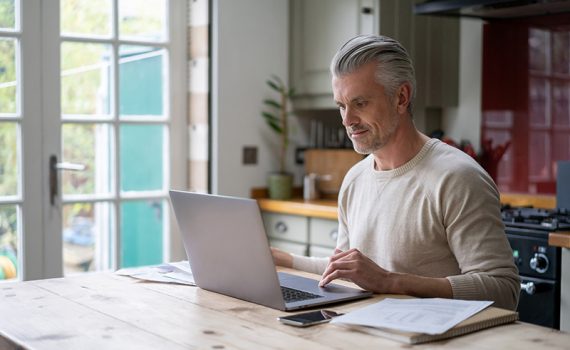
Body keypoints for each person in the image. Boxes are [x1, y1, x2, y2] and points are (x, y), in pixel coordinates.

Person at [272, 34, 520, 310]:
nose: (347, 120)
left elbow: (504, 291)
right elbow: (346, 270)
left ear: (401, 97)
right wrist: (282, 260)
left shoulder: (457, 177)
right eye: (341, 106)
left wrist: (392, 281)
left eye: (360, 103)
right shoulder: (355, 179)